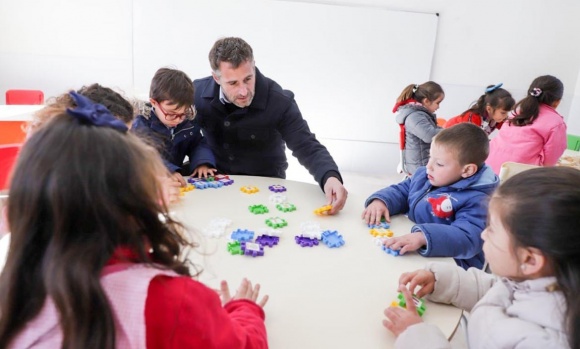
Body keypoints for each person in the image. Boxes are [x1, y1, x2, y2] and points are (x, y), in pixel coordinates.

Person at [0, 92, 269, 348]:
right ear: (134, 197)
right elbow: (242, 344)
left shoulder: (15, 292)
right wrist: (245, 309)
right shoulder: (170, 301)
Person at [383, 167, 580, 349]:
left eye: (492, 230)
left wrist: (417, 337)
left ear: (530, 260)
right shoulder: (538, 281)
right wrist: (442, 281)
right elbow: (500, 289)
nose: (483, 234)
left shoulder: (541, 342)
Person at [193, 37, 347, 214]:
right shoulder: (196, 94)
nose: (243, 91)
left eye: (248, 78)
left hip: (265, 188)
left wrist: (330, 177)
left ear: (254, 66)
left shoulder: (280, 101)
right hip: (215, 183)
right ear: (216, 78)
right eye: (233, 83)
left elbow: (306, 145)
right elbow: (175, 135)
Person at [362, 123, 499, 269]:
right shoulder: (427, 175)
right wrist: (382, 201)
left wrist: (423, 237)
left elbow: (467, 238)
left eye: (439, 163)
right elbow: (403, 190)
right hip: (417, 245)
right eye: (430, 157)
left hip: (452, 265)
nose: (429, 166)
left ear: (467, 170)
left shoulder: (479, 199)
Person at [132, 68, 216, 186]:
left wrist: (202, 162)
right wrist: (168, 171)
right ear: (154, 103)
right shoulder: (141, 125)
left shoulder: (188, 122)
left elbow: (198, 143)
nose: (178, 120)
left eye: (183, 114)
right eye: (171, 114)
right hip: (147, 184)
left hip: (174, 183)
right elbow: (144, 156)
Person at [487, 75, 567, 174]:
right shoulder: (556, 123)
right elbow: (548, 163)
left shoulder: (517, 112)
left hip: (488, 168)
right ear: (557, 102)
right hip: (517, 177)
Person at [444, 83, 515, 135]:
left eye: (507, 112)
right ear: (489, 109)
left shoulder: (497, 118)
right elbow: (469, 140)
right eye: (503, 113)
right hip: (447, 138)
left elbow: (509, 130)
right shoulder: (473, 117)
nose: (505, 116)